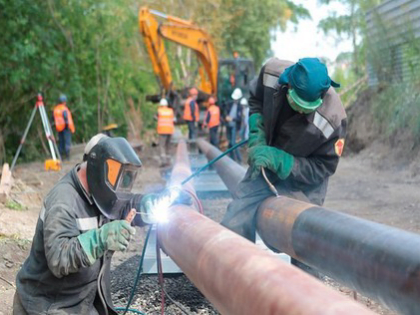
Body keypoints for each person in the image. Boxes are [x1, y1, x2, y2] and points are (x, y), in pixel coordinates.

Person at [13, 134, 190, 315]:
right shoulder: (63, 200)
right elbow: (59, 258)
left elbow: (125, 204)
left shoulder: (101, 195)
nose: (117, 189)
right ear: (97, 167)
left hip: (83, 299)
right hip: (49, 304)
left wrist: (149, 202)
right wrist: (100, 239)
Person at [221, 58, 346, 272]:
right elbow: (256, 101)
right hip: (265, 163)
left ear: (321, 96)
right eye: (297, 104)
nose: (300, 112)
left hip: (305, 179)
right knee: (236, 216)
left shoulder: (334, 120)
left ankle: (308, 297)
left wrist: (284, 162)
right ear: (287, 85)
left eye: (306, 109)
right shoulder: (270, 74)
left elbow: (323, 167)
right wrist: (257, 139)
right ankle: (234, 277)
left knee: (305, 234)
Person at [53, 94, 75, 160]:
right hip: (66, 128)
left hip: (59, 128)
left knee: (61, 142)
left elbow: (53, 119)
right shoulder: (64, 109)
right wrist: (69, 127)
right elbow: (66, 118)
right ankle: (67, 156)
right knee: (67, 142)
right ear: (64, 101)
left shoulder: (56, 109)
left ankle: (60, 156)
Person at [225, 88, 243, 163]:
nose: (235, 100)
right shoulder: (230, 104)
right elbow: (226, 111)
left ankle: (239, 159)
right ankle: (231, 159)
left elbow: (239, 119)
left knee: (233, 143)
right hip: (229, 126)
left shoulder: (240, 107)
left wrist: (232, 119)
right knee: (229, 143)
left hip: (234, 126)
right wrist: (226, 117)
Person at [157, 98, 175, 167]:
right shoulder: (171, 111)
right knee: (168, 145)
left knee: (162, 145)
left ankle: (163, 161)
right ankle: (169, 161)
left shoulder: (159, 111)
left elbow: (156, 117)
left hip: (162, 130)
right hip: (169, 130)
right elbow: (173, 119)